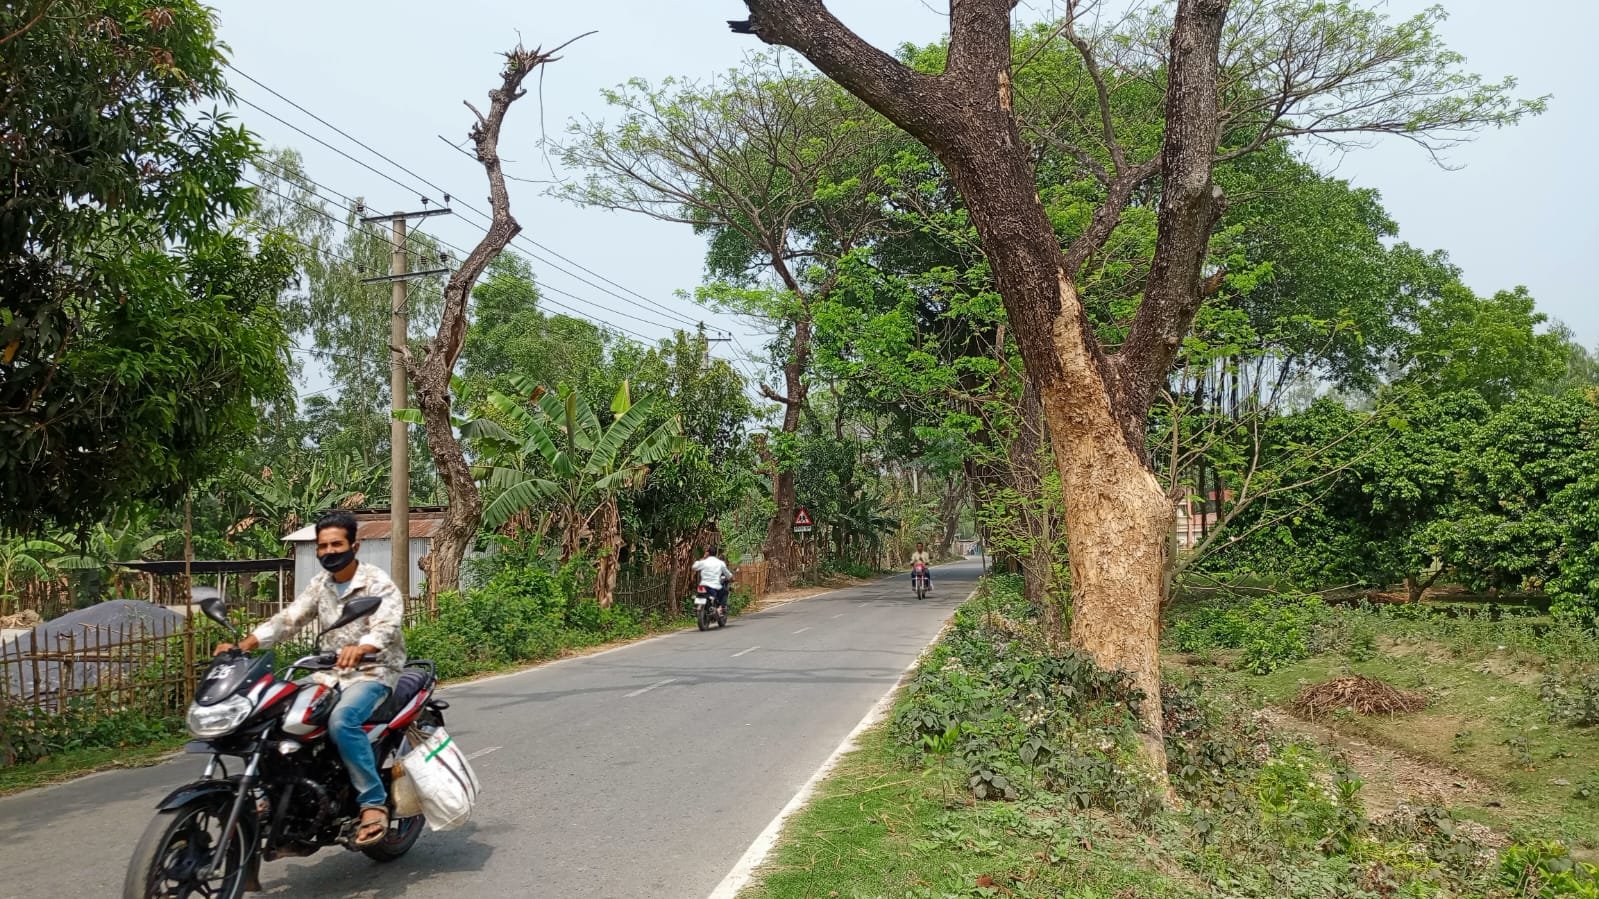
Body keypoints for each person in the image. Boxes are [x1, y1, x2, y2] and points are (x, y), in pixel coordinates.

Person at [214, 510, 405, 848]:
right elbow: (289, 619)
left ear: (354, 545)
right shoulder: (321, 585)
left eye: (336, 544)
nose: (329, 551)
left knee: (343, 720)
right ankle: (278, 794)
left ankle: (372, 803)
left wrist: (363, 647)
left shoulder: (377, 583)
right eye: (322, 546)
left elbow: (387, 626)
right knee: (277, 714)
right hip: (329, 673)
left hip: (374, 672)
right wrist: (243, 645)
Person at [692, 546, 733, 614]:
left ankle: (698, 606)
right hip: (714, 586)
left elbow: (694, 567)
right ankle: (721, 608)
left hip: (703, 585)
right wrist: (732, 578)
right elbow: (728, 574)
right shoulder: (720, 563)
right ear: (716, 553)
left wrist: (703, 558)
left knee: (699, 593)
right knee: (725, 592)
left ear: (708, 553)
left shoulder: (704, 562)